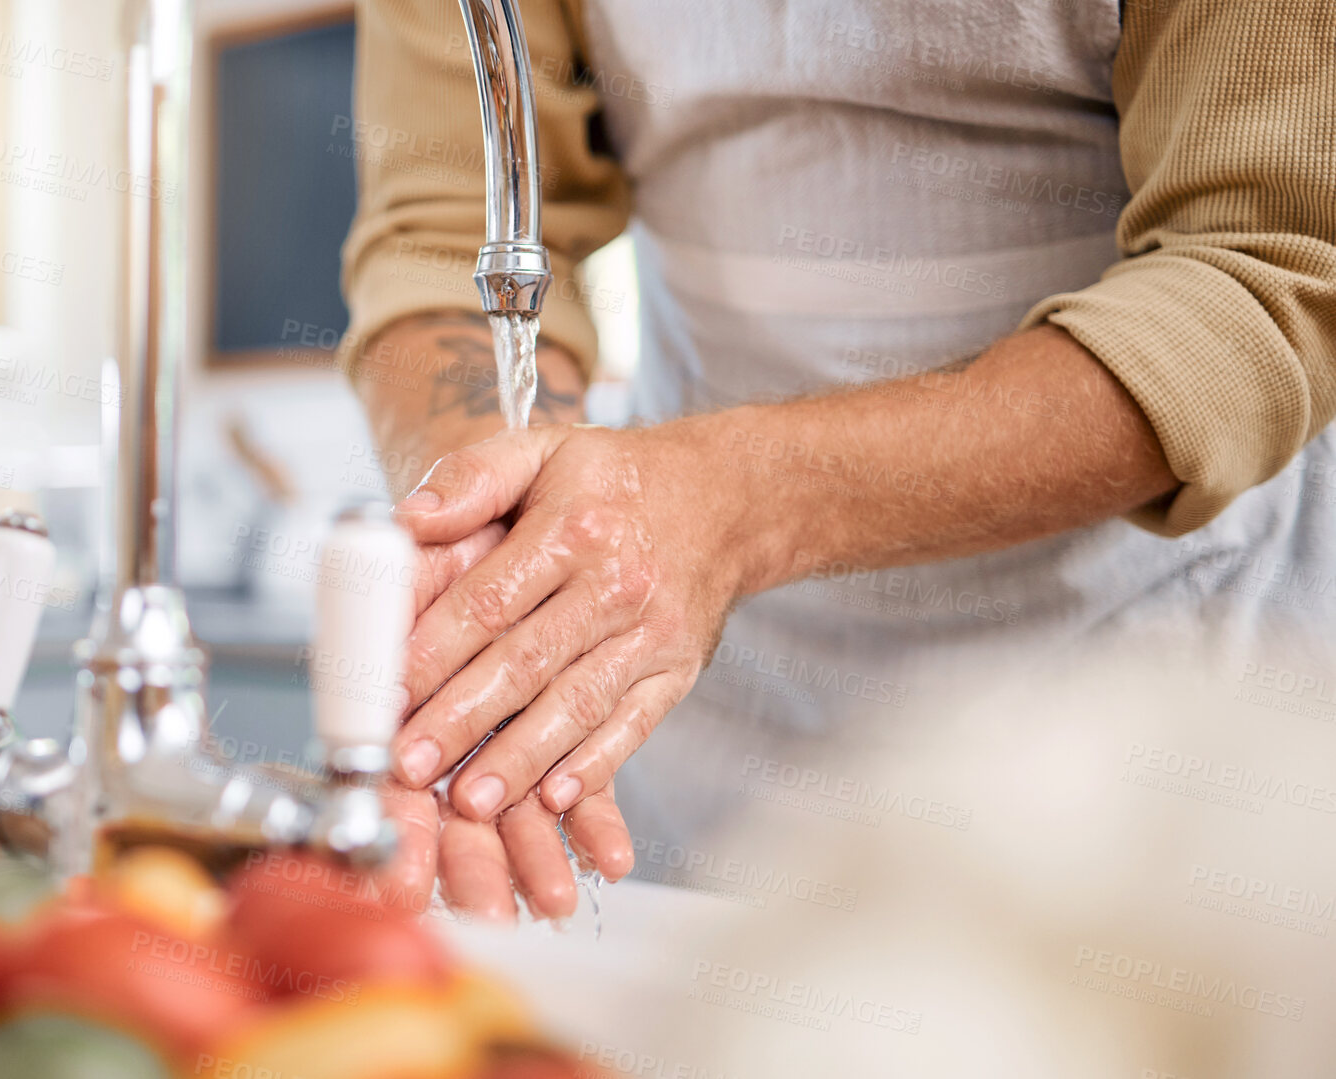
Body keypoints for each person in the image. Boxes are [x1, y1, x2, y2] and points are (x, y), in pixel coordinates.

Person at [343, 0, 1336, 919]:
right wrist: (511, 571)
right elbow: (445, 229)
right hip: (688, 753)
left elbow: (1262, 272)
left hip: (1142, 712)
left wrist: (729, 503)